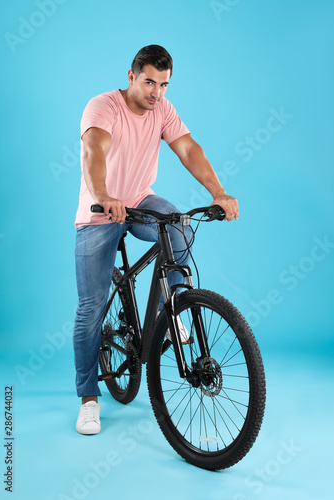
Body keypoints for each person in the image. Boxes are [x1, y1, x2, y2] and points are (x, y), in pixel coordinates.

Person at [73, 44, 239, 435]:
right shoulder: (103, 107)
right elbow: (93, 150)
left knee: (179, 225)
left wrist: (219, 192)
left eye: (163, 84)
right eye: (149, 82)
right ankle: (88, 397)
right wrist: (102, 196)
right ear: (131, 77)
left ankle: (175, 310)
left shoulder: (162, 109)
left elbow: (188, 148)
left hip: (140, 200)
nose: (156, 93)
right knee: (91, 308)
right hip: (101, 210)